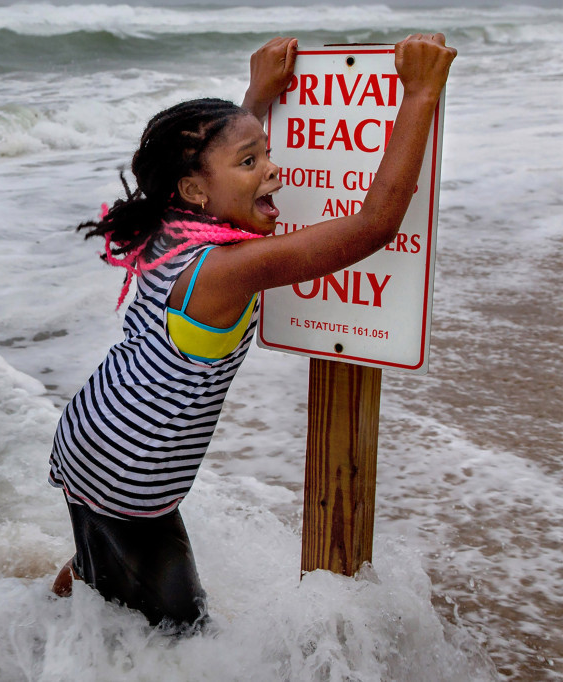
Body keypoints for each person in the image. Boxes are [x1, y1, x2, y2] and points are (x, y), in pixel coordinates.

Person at [48, 34, 456, 631]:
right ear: (194, 189)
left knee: (97, 568)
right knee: (182, 637)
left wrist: (257, 98)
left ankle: (45, 635)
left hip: (88, 439)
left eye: (263, 153)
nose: (274, 169)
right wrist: (419, 95)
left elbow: (212, 168)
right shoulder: (224, 269)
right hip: (134, 471)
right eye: (252, 161)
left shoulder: (177, 223)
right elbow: (372, 226)